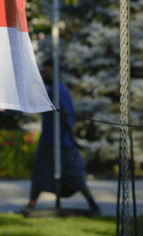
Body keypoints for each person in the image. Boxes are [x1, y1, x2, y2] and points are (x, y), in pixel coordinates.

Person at [26, 63, 100, 216]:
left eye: (46, 72)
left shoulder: (58, 91)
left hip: (61, 142)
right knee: (40, 175)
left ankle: (93, 205)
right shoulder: (54, 90)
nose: (43, 76)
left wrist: (73, 140)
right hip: (50, 140)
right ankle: (31, 205)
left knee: (74, 175)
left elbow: (65, 116)